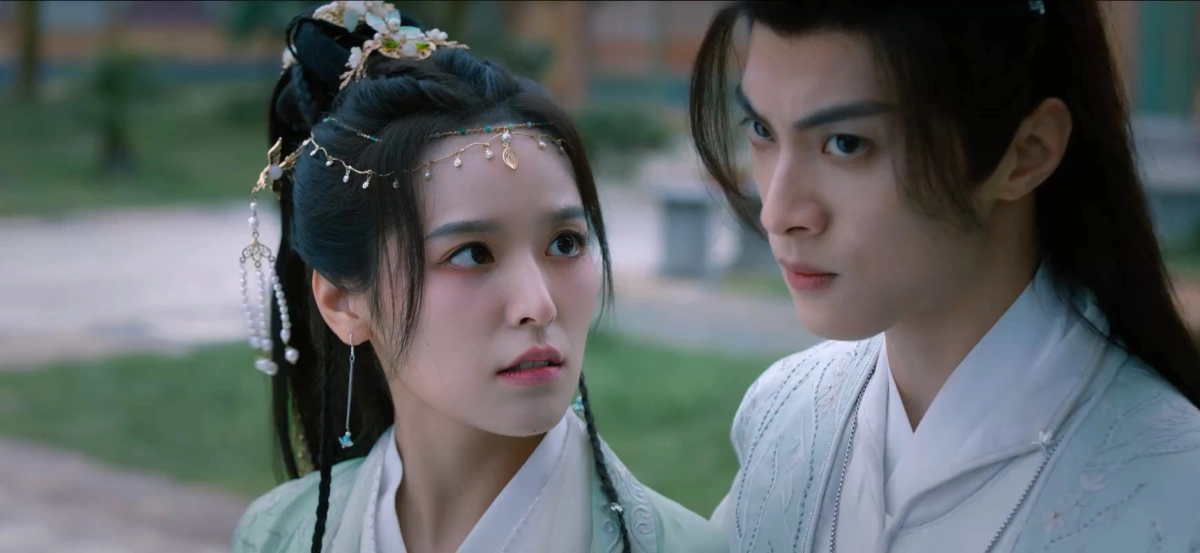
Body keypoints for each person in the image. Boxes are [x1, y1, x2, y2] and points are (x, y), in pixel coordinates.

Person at [689, 1, 1200, 551]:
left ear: (1026, 153)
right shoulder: (784, 413)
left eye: (846, 143)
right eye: (762, 130)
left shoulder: (1174, 487)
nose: (777, 212)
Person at [230, 2, 724, 552]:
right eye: (472, 254)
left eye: (565, 243)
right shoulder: (276, 535)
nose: (538, 304)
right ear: (344, 301)